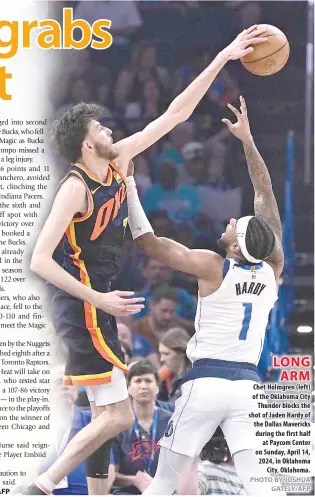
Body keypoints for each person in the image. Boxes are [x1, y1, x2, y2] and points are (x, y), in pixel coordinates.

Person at [25, 25, 267, 494]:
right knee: (114, 416)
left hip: (95, 304)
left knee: (104, 416)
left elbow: (176, 114)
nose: (110, 129)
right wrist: (97, 298)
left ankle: (56, 486)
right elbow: (39, 259)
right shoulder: (75, 187)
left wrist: (222, 56)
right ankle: (42, 483)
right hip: (82, 307)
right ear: (85, 144)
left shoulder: (118, 161)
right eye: (100, 127)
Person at [126, 96, 285, 495]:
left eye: (235, 225)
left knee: (164, 481)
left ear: (235, 247)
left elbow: (149, 243)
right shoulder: (272, 271)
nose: (231, 220)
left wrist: (128, 182)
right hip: (249, 387)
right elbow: (264, 195)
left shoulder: (215, 267)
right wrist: (248, 142)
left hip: (207, 382)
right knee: (264, 485)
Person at [109, 360, 172, 495]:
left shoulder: (172, 422)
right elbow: (111, 475)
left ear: (157, 387)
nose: (143, 386)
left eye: (148, 381)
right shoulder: (118, 425)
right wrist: (134, 480)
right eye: (138, 381)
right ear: (128, 389)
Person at [158, 327, 191, 402]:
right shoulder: (167, 377)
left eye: (166, 354)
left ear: (181, 353)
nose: (161, 359)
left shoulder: (190, 380)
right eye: (161, 354)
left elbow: (174, 408)